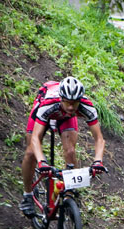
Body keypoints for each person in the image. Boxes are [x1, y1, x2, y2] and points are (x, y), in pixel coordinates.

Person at [19, 76, 107, 217]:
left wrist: (98, 161)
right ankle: (27, 195)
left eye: (75, 103)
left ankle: (70, 194)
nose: (71, 107)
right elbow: (35, 138)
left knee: (71, 151)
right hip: (45, 110)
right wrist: (42, 162)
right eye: (68, 103)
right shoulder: (48, 104)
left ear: (80, 100)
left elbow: (99, 139)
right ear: (61, 98)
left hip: (65, 118)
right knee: (31, 152)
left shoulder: (87, 106)